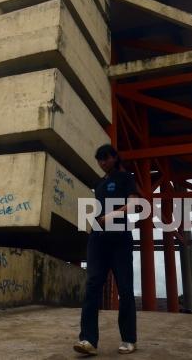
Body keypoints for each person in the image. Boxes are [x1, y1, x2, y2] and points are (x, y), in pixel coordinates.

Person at [74, 144, 139, 356]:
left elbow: (134, 204)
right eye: (99, 159)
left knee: (125, 289)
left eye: (105, 158)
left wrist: (110, 217)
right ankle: (87, 340)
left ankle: (129, 339)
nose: (102, 162)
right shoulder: (99, 183)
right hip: (98, 239)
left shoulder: (125, 177)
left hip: (120, 239)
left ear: (114, 157)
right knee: (92, 286)